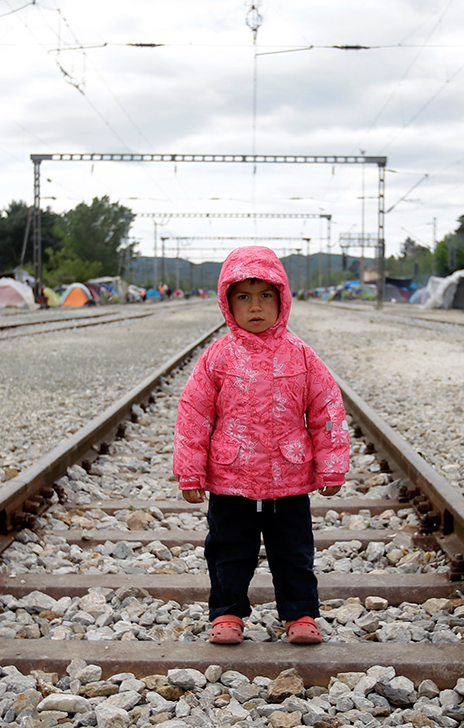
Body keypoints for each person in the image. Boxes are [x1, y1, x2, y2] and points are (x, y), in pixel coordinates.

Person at [172, 245, 351, 646]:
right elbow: (194, 413)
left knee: (294, 553)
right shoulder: (217, 357)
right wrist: (190, 471)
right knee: (228, 552)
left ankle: (301, 613)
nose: (256, 306)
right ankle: (228, 613)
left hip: (288, 479)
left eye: (266, 295)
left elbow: (326, 407)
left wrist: (332, 464)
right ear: (227, 303)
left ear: (282, 298)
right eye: (244, 297)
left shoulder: (301, 355)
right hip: (231, 479)